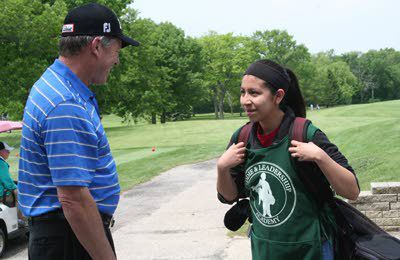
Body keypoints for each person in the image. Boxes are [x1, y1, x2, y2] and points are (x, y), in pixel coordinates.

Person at [18, 3, 139, 260]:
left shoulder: (57, 85)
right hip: (68, 238)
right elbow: (73, 200)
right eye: (117, 51)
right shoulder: (65, 103)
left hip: (66, 235)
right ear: (96, 46)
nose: (117, 60)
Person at [217, 59, 360, 259]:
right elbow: (228, 196)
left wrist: (321, 157)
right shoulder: (242, 137)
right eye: (243, 92)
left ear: (278, 96)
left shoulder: (305, 133)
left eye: (254, 93)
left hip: (313, 249)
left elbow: (352, 191)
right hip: (265, 250)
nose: (245, 100)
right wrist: (222, 168)